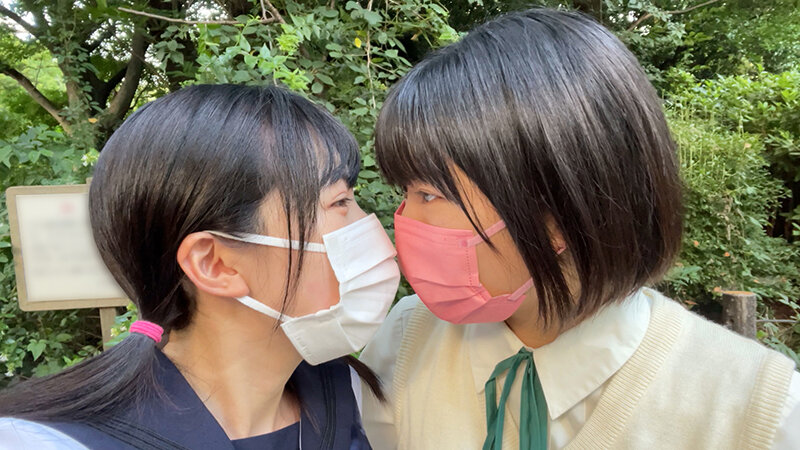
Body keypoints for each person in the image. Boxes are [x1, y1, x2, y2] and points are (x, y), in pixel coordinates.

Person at [359, 8, 799, 450]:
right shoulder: (406, 340)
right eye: (404, 192)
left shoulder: (759, 413)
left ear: (557, 215)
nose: (403, 221)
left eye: (428, 194)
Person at [0, 84, 400, 449]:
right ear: (214, 263)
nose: (371, 228)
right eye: (339, 202)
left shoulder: (347, 394)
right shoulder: (46, 442)